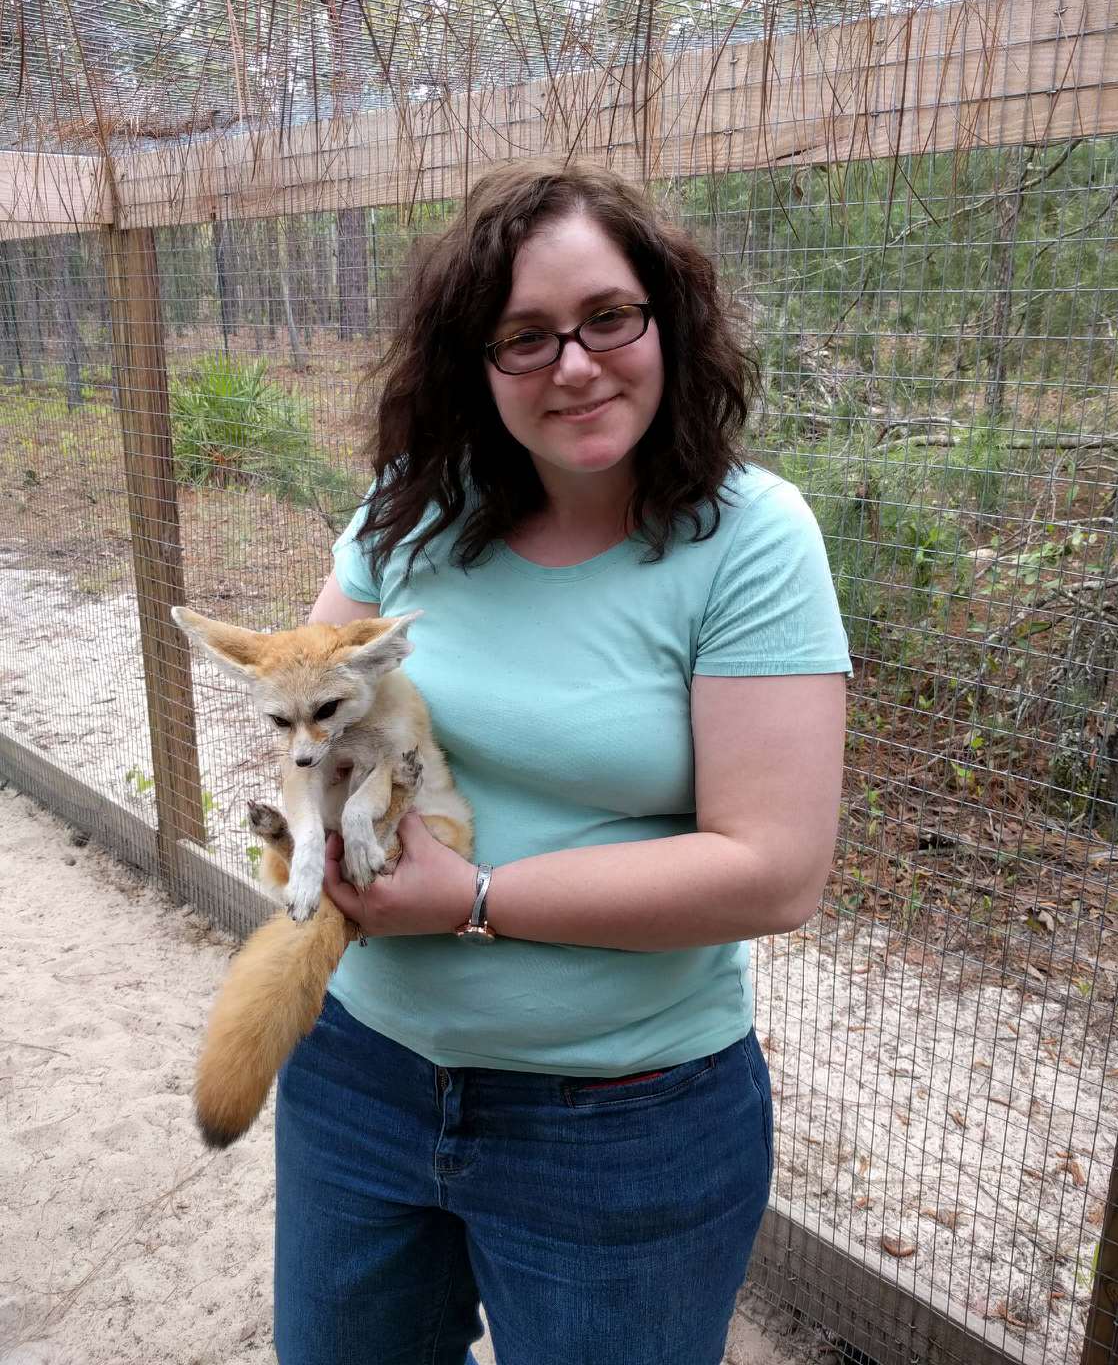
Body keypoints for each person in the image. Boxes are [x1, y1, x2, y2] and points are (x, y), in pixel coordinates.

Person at [273, 160, 851, 1365]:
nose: (575, 364)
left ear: (665, 321)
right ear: (473, 366)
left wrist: (472, 901)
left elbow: (776, 872)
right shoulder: (408, 514)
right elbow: (304, 717)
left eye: (606, 318)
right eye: (523, 337)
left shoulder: (749, 541)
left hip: (619, 1121)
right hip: (359, 1073)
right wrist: (306, 813)